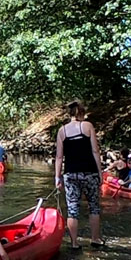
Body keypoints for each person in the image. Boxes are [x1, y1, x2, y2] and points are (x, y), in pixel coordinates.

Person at [53, 100, 105, 249]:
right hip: (89, 172)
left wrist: (57, 177)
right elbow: (95, 151)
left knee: (72, 209)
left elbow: (59, 157)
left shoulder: (62, 131)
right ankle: (95, 239)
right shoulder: (87, 126)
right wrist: (100, 172)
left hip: (70, 174)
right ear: (81, 113)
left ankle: (74, 243)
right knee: (93, 207)